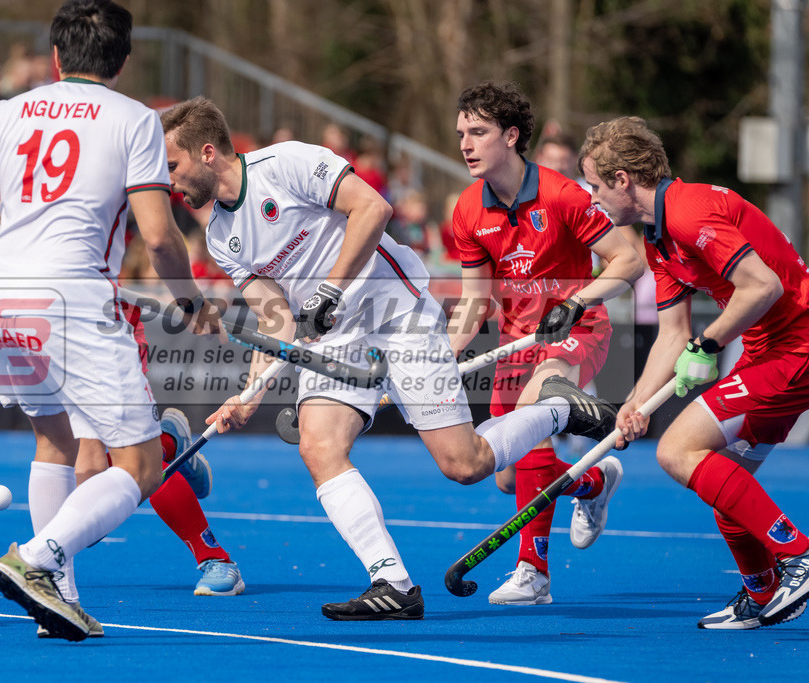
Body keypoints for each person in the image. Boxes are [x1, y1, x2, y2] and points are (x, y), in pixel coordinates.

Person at [160, 95, 623, 621]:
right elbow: (275, 322)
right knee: (318, 446)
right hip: (331, 335)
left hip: (395, 310)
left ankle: (560, 409)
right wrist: (250, 394)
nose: (169, 182)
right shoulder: (221, 235)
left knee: (464, 464)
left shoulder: (284, 163)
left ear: (206, 153)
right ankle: (393, 583)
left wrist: (329, 292)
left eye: (172, 166)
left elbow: (373, 208)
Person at [0, 0, 219, 641]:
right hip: (74, 298)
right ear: (122, 59)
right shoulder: (134, 120)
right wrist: (193, 303)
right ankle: (36, 561)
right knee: (140, 466)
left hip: (3, 289)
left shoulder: (7, 111)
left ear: (57, 56)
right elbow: (160, 236)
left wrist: (13, 238)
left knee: (55, 440)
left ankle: (57, 599)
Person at [0, 225, 243, 631]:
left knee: (128, 463)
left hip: (99, 330)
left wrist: (190, 300)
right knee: (87, 471)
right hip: (39, 342)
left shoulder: (63, 221)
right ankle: (59, 600)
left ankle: (214, 558)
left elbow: (155, 234)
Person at [581, 116, 809, 630]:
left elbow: (762, 286)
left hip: (796, 347)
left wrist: (709, 344)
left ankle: (798, 554)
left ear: (623, 180)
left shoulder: (688, 211)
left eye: (596, 185)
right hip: (768, 348)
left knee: (678, 449)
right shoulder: (658, 236)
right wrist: (633, 406)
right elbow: (671, 333)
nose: (592, 198)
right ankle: (760, 590)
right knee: (726, 483)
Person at [445, 82, 644, 606]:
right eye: (462, 132)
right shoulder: (468, 210)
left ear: (511, 136)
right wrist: (438, 354)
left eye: (479, 132)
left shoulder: (561, 194)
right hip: (516, 343)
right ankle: (593, 483)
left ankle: (533, 574)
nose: (466, 143)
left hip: (578, 332)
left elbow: (629, 261)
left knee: (536, 407)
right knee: (506, 477)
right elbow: (474, 303)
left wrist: (576, 303)